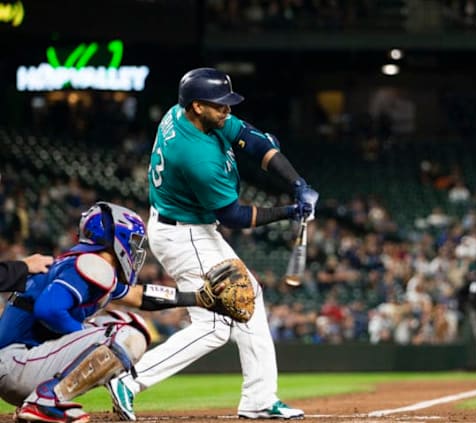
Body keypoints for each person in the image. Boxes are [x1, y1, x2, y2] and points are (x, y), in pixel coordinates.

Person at [107, 67, 318, 421]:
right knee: (217, 326)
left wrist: (297, 182)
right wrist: (289, 211)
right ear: (197, 107)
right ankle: (129, 379)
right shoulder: (196, 156)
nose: (227, 111)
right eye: (220, 105)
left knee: (245, 300)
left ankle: (260, 400)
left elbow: (254, 141)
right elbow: (232, 215)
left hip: (185, 226)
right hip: (184, 234)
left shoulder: (186, 114)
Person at [0, 202, 224, 423]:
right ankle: (45, 400)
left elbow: (139, 296)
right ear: (115, 238)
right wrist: (86, 339)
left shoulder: (85, 265)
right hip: (15, 363)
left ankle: (39, 401)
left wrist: (198, 298)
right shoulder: (91, 265)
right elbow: (47, 310)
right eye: (133, 241)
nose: (136, 249)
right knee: (128, 334)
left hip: (18, 365)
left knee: (122, 322)